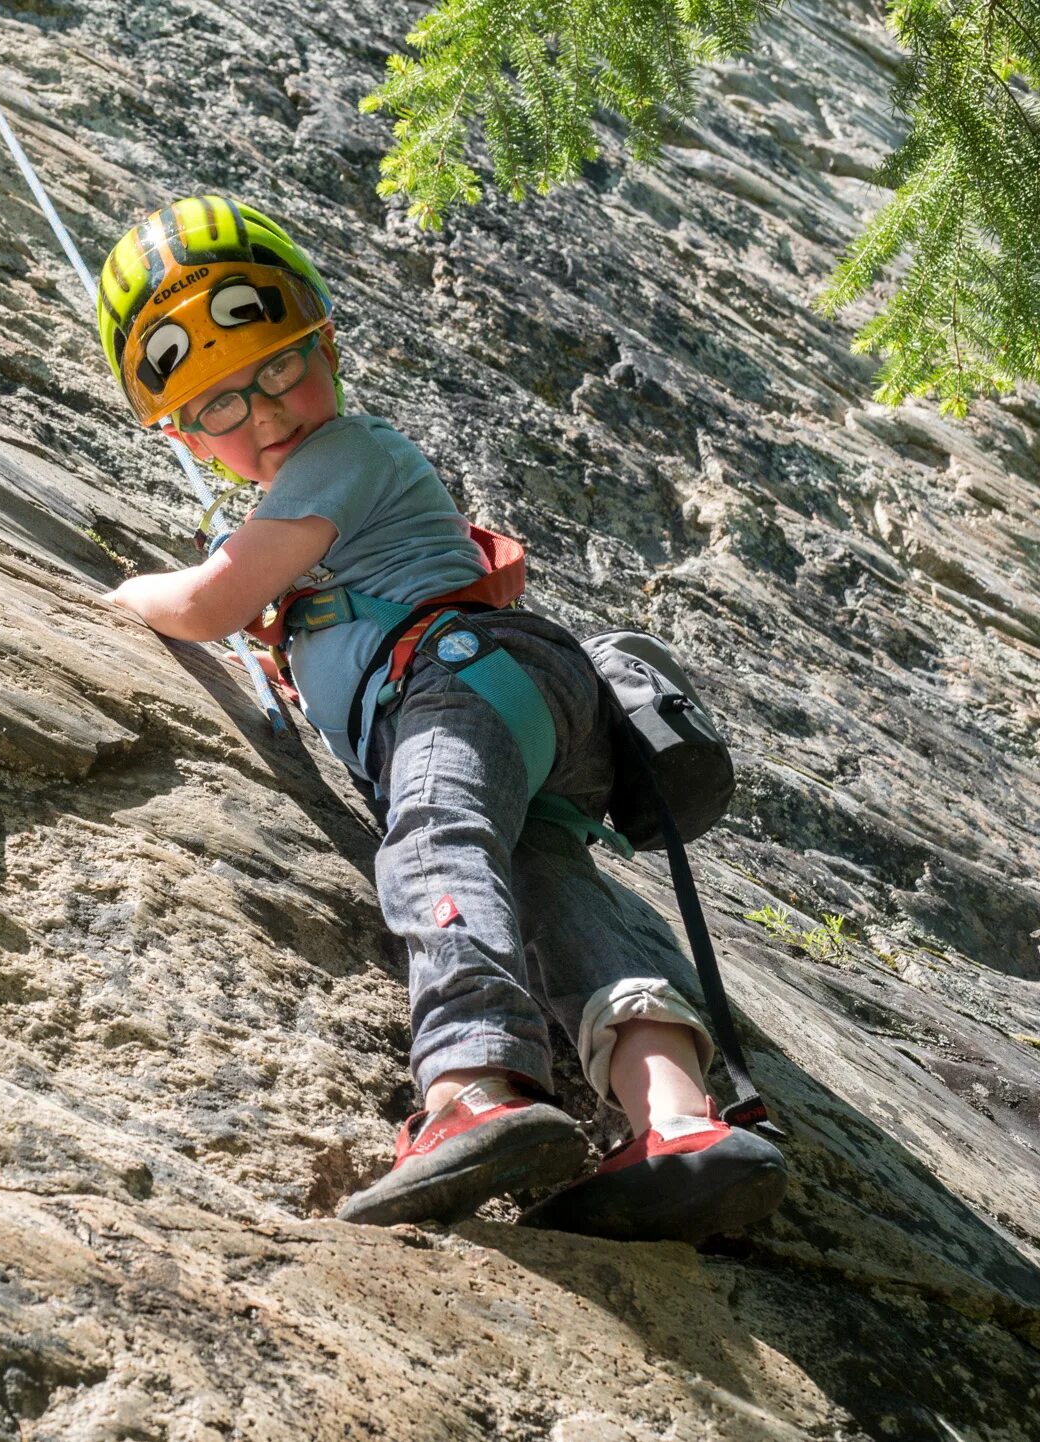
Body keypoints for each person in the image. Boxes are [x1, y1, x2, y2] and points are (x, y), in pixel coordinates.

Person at [96, 195, 786, 1241]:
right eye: (220, 405)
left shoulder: (342, 454)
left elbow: (207, 605)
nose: (265, 413)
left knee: (433, 841)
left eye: (278, 368)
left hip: (458, 681)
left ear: (326, 347)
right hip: (523, 712)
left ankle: (473, 1083)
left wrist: (125, 593)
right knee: (556, 903)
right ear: (184, 432)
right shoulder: (328, 494)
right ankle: (678, 1120)